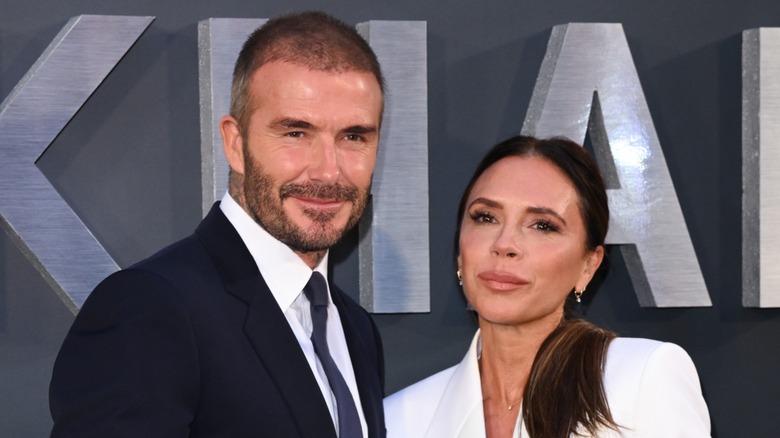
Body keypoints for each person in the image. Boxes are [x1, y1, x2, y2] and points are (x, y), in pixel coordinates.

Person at [49, 11, 386, 438]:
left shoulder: (355, 328)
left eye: (354, 136)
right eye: (296, 133)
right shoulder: (152, 310)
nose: (327, 172)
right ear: (235, 143)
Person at [384, 135, 711, 437]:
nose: (504, 244)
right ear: (460, 251)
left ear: (588, 265)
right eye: (485, 217)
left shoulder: (643, 377)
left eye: (542, 225)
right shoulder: (399, 419)